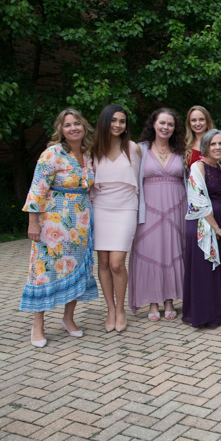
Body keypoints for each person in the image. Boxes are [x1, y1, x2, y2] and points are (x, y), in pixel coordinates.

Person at [22, 109, 99, 347]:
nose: (73, 128)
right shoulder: (52, 154)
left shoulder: (88, 154)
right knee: (45, 270)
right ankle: (38, 325)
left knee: (76, 268)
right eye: (68, 125)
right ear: (61, 130)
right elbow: (37, 189)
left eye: (77, 123)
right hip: (53, 224)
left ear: (84, 126)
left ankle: (68, 318)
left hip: (81, 225)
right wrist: (33, 222)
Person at [128, 108, 187, 322]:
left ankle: (170, 300)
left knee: (172, 251)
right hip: (149, 209)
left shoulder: (181, 150)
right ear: (153, 124)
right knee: (151, 252)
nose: (165, 127)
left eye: (170, 124)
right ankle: (153, 301)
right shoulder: (140, 149)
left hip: (176, 208)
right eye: (162, 123)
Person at [91, 104, 141, 333]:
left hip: (126, 208)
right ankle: (110, 309)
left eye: (122, 121)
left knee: (116, 263)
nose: (118, 125)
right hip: (100, 207)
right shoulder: (93, 150)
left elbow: (139, 183)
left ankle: (121, 309)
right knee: (102, 262)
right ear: (105, 122)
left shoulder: (133, 148)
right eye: (113, 120)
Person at [183, 129, 221, 328]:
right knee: (206, 271)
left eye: (220, 143)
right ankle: (206, 315)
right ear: (205, 147)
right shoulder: (197, 167)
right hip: (202, 223)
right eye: (213, 144)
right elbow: (198, 201)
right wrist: (216, 229)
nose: (217, 147)